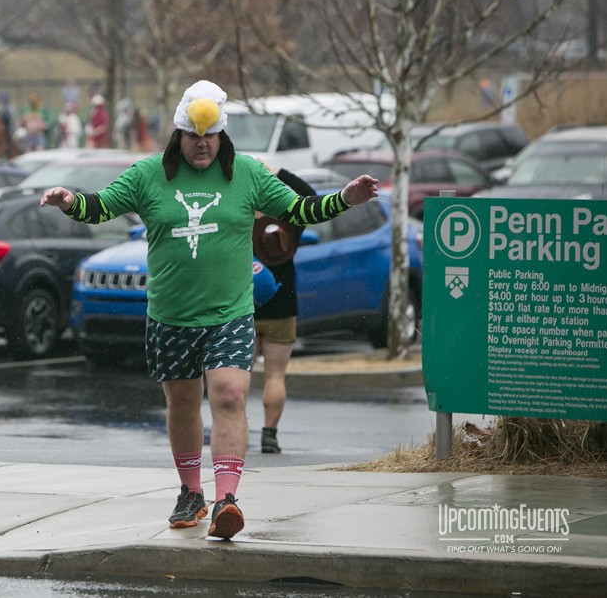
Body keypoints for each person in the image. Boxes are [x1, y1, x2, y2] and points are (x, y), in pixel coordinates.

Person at [39, 80, 378, 540]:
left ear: (222, 135)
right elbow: (100, 207)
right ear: (178, 134)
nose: (202, 145)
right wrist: (70, 202)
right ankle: (191, 492)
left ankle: (227, 499)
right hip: (170, 315)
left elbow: (298, 210)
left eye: (211, 136)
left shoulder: (248, 174)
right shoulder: (148, 174)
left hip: (230, 314)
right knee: (182, 402)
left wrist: (346, 198)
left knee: (229, 394)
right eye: (194, 136)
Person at [252, 168, 316, 454]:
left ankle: (234, 427)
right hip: (282, 306)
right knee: (275, 375)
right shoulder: (289, 220)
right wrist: (279, 172)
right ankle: (269, 436)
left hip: (242, 307)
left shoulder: (242, 218)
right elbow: (310, 196)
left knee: (237, 375)